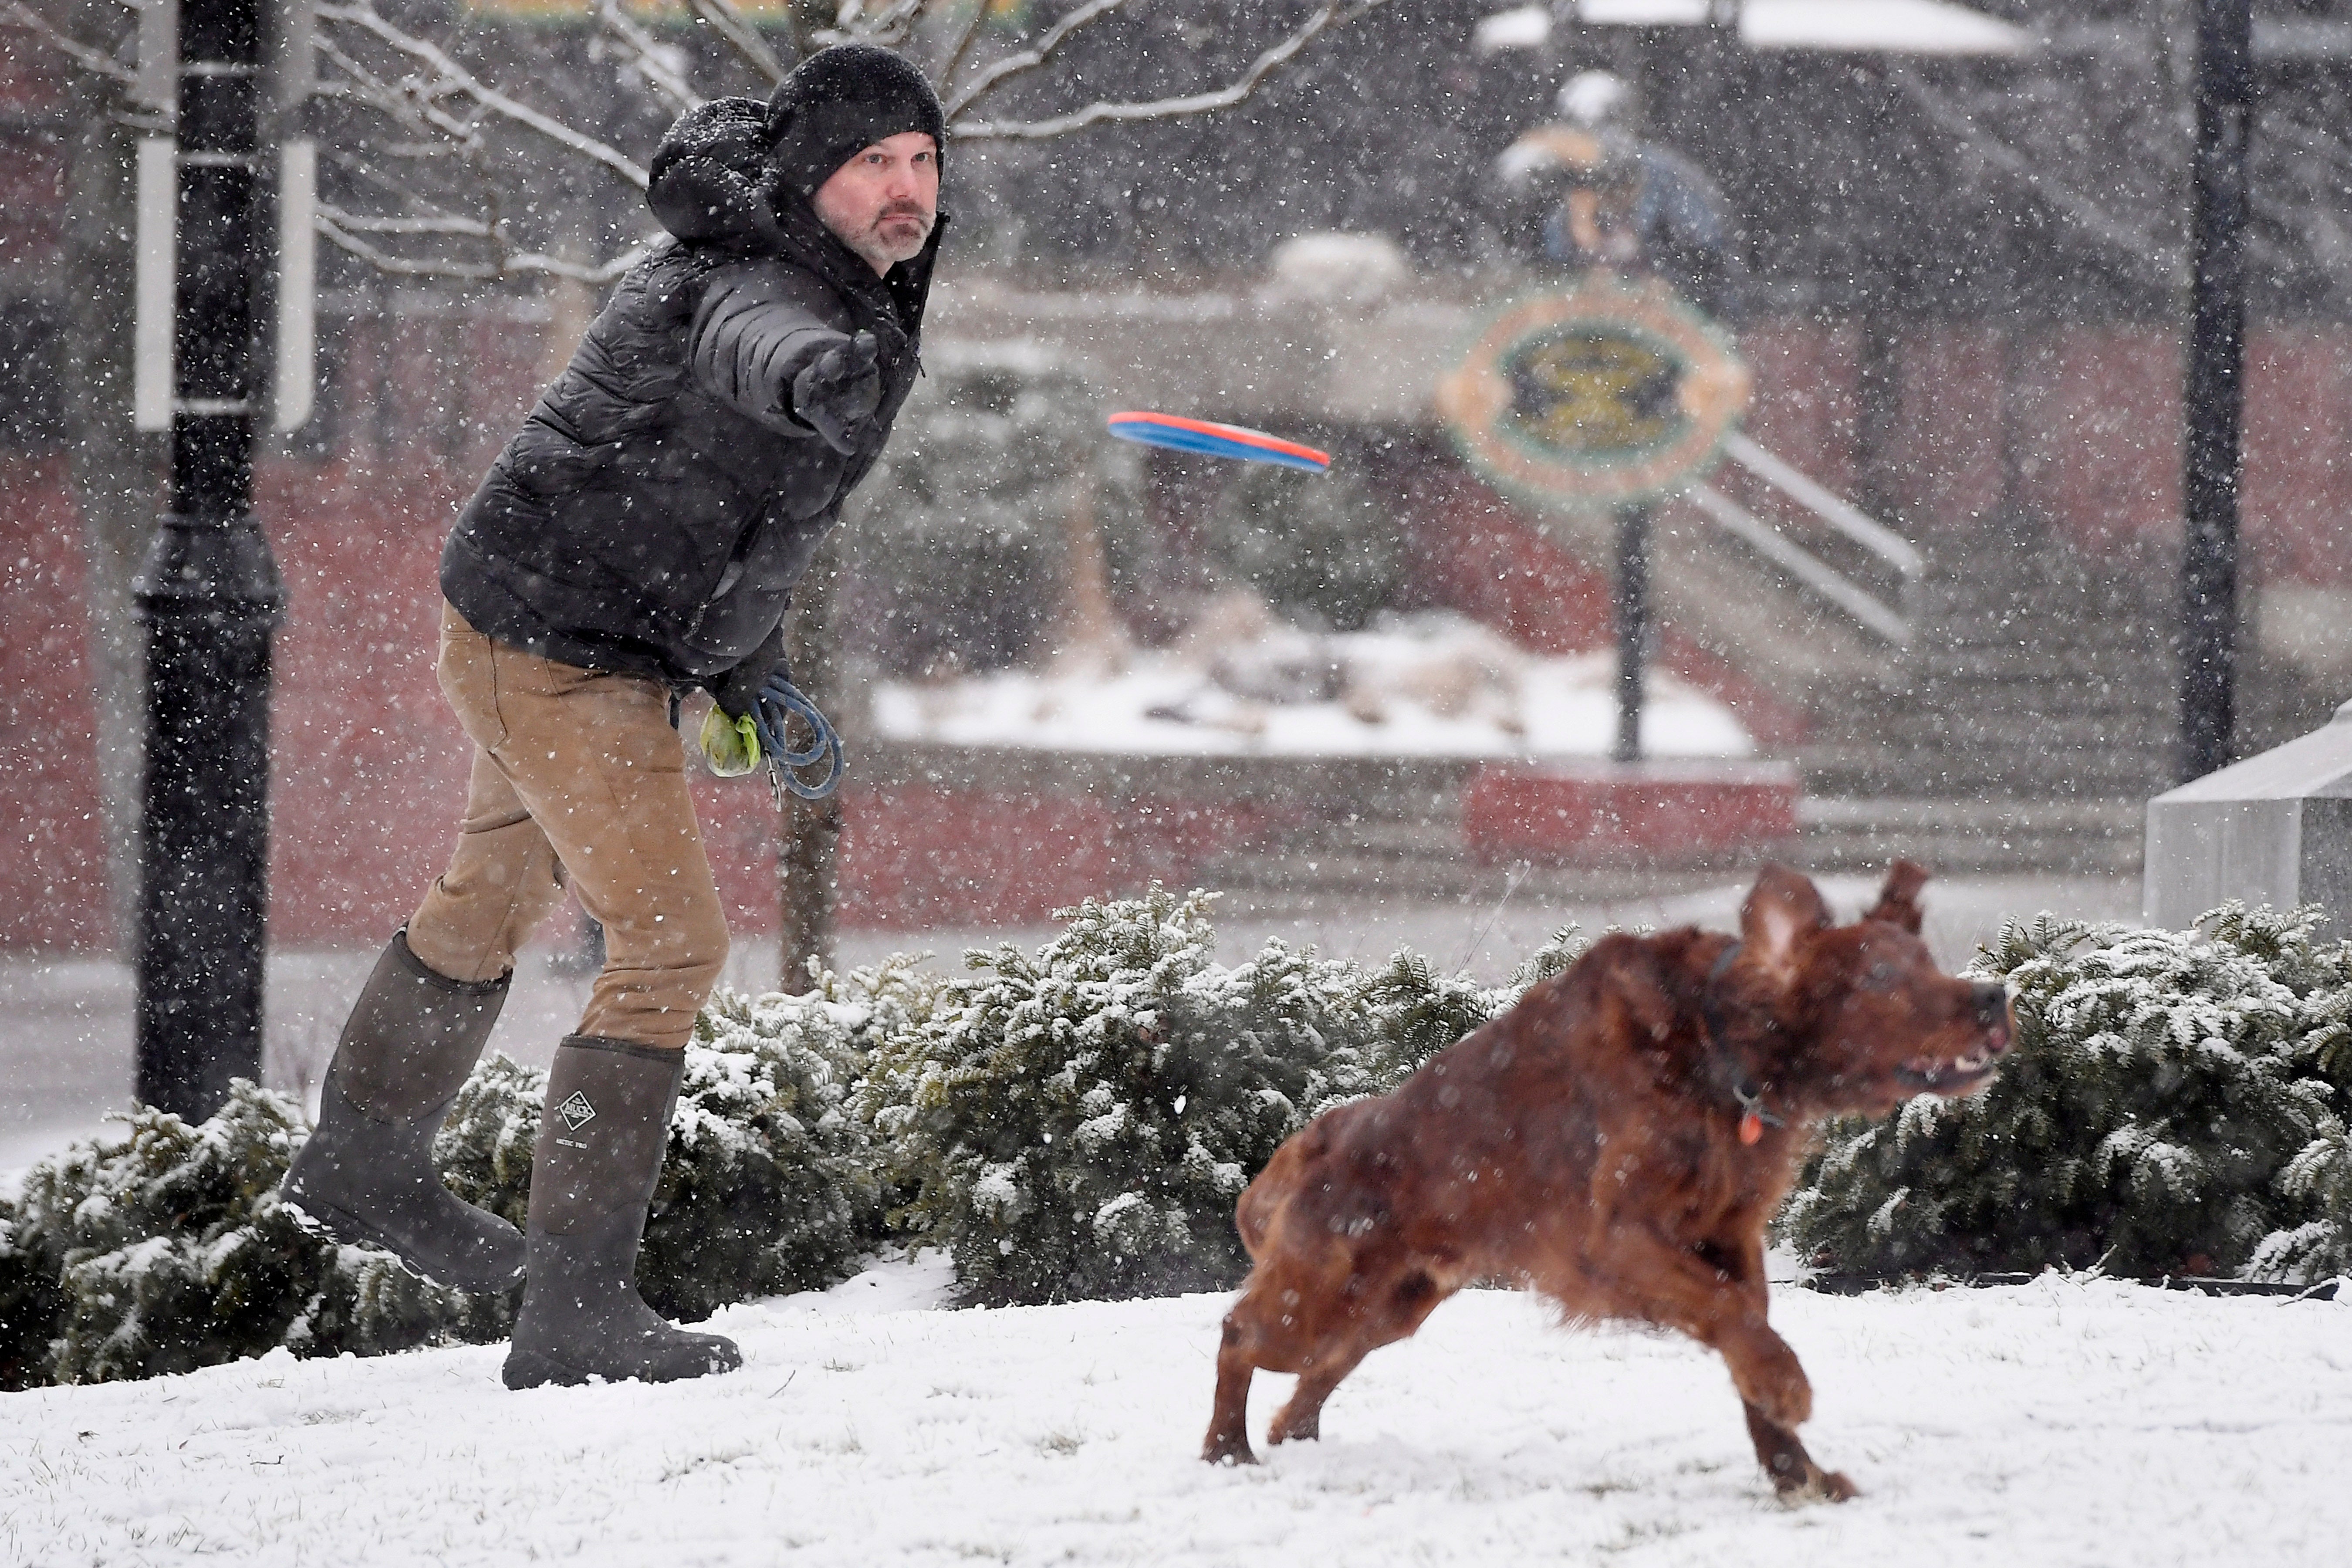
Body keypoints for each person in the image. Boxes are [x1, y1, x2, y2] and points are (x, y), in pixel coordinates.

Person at [277, 44, 947, 1389]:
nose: (906, 189)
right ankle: (573, 1309)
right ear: (808, 176)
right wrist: (818, 372)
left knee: (492, 891)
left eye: (924, 162)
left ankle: (359, 1163)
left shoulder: (815, 271)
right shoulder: (763, 287)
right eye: (873, 163)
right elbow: (753, 345)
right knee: (670, 943)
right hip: (568, 650)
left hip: (529, 618)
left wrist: (748, 667)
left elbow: (755, 520)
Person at [1494, 70, 1743, 323]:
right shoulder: (1571, 190)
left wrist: (1670, 283)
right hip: (1607, 325)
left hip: (1696, 319)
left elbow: (1709, 252)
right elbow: (1555, 257)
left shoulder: (1664, 179)